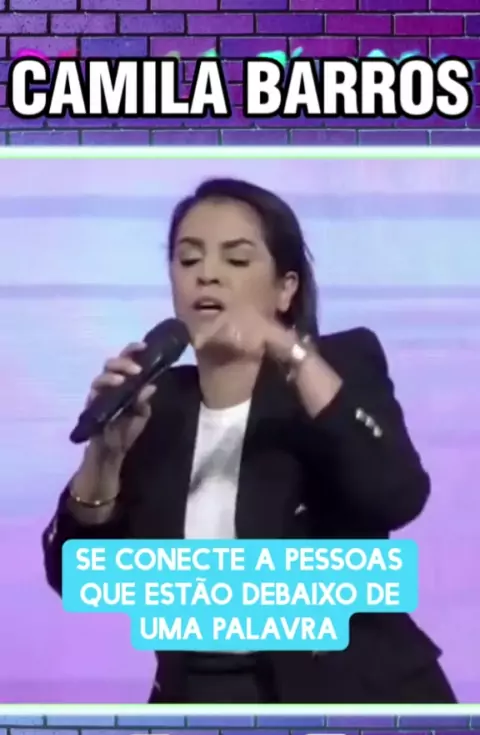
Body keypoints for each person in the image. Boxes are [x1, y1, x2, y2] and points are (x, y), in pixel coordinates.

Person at [42, 177, 456, 704]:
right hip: (201, 701)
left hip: (350, 695)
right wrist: (105, 456)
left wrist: (291, 351)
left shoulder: (338, 370)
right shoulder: (156, 406)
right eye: (188, 260)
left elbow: (395, 495)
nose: (207, 274)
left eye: (236, 259)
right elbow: (76, 577)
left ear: (285, 289)